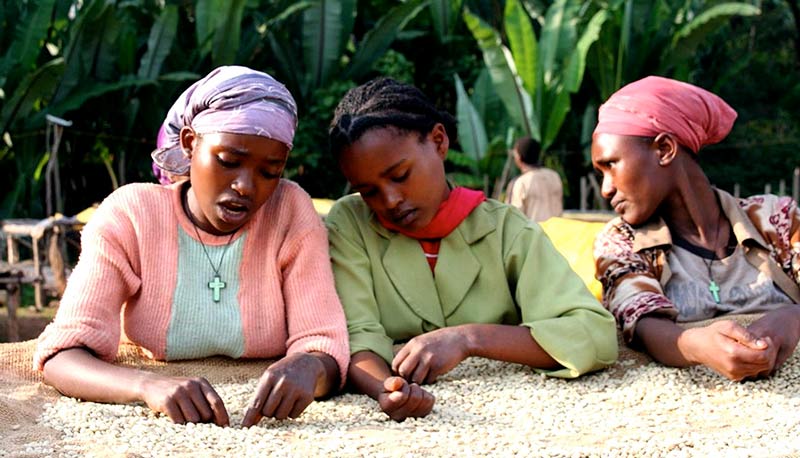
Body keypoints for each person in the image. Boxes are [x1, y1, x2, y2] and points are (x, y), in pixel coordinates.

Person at [33, 66, 350, 427]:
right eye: (229, 161)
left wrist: (310, 365)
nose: (246, 186)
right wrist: (148, 385)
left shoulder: (290, 211)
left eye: (270, 171)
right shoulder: (131, 215)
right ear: (189, 143)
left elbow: (325, 343)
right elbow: (63, 355)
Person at [326, 77, 617, 422]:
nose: (389, 200)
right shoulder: (350, 225)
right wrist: (385, 389)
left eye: (401, 175)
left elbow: (594, 334)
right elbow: (357, 337)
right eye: (368, 191)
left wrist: (470, 338)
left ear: (438, 141)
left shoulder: (508, 230)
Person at [592, 75, 800, 382]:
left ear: (664, 149)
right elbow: (642, 322)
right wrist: (696, 346)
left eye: (611, 164)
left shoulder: (774, 219)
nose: (605, 189)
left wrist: (791, 319)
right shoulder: (622, 242)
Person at [504, 136, 563, 221]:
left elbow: (515, 218)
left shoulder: (521, 182)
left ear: (519, 158)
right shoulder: (554, 176)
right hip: (555, 232)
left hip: (534, 233)